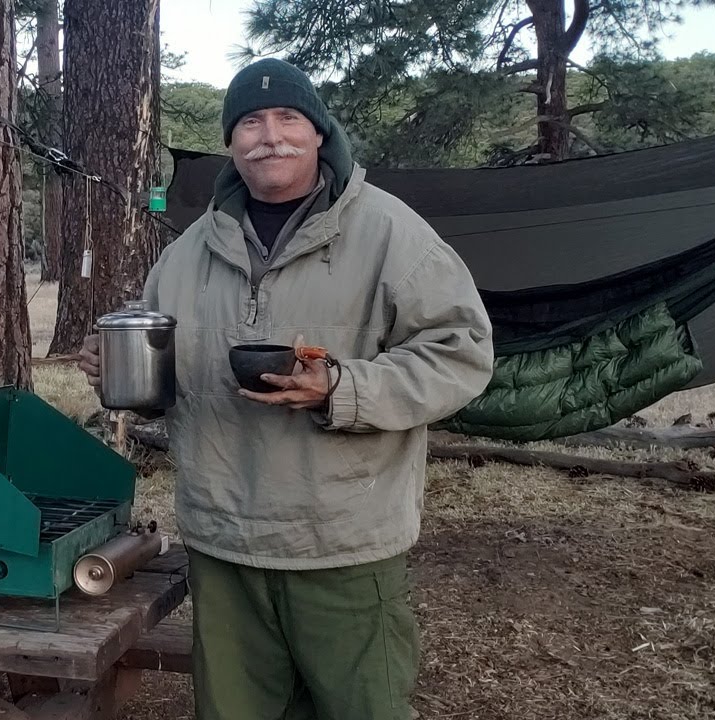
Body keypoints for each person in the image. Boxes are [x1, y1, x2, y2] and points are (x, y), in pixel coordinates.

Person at [78, 58, 494, 720]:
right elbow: (165, 383)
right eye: (250, 122)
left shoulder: (388, 232)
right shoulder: (189, 253)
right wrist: (123, 374)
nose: (269, 135)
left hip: (341, 542)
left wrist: (341, 386)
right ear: (230, 143)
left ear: (319, 134)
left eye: (288, 118)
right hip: (224, 543)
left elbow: (461, 354)